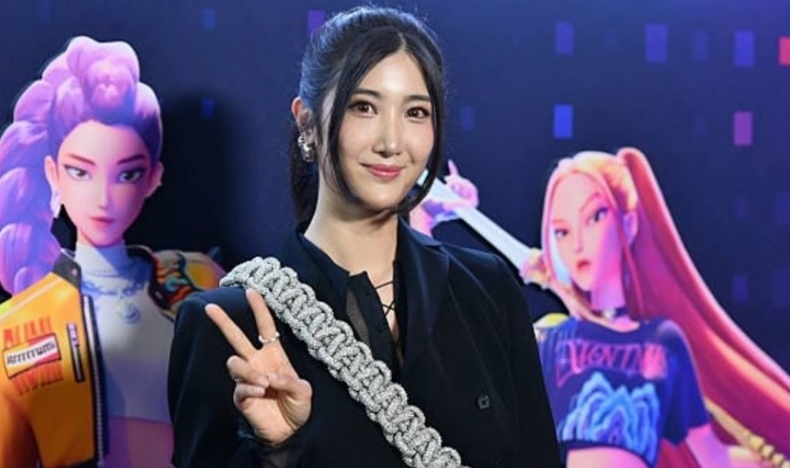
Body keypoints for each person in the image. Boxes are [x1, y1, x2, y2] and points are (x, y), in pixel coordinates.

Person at [167, 6, 562, 468]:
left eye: (415, 112)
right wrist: (278, 450)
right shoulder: (228, 325)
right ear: (307, 122)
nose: (391, 142)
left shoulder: (486, 290)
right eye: (364, 107)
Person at [413, 148, 790, 467]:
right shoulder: (553, 342)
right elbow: (451, 357)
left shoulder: (661, 343)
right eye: (562, 231)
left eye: (595, 218)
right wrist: (424, 221)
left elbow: (712, 457)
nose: (577, 245)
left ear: (628, 223)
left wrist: (778, 460)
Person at [0, 36, 223, 467]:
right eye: (80, 172)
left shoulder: (200, 281)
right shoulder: (11, 330)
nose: (102, 198)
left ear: (153, 177)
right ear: (53, 174)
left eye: (126, 174)